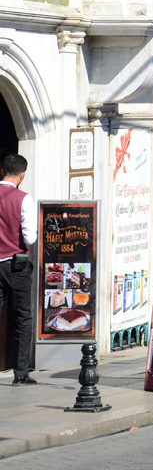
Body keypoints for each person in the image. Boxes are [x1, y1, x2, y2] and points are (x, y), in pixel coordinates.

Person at [0, 154, 37, 385]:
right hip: (16, 265)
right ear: (22, 175)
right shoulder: (23, 199)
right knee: (23, 317)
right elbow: (29, 237)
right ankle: (20, 373)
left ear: (2, 170)